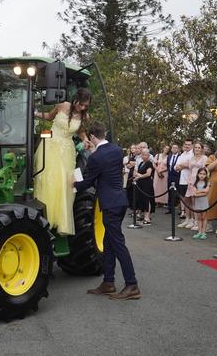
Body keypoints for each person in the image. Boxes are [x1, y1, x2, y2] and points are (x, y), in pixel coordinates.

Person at [74, 121, 140, 300]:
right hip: (119, 201)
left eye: (90, 138)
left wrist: (72, 185)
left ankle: (132, 284)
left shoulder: (96, 157)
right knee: (109, 242)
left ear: (93, 137)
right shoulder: (117, 150)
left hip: (110, 204)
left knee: (118, 244)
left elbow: (87, 182)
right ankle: (108, 282)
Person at [33, 88, 90, 235]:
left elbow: (81, 132)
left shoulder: (84, 116)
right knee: (48, 180)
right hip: (50, 145)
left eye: (86, 106)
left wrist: (85, 140)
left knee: (65, 183)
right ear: (76, 100)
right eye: (82, 104)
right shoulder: (62, 106)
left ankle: (61, 221)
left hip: (67, 150)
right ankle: (44, 217)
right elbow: (49, 116)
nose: (83, 108)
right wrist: (34, 114)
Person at [185, 142, 207, 231]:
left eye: (199, 147)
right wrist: (189, 181)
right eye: (195, 147)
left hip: (200, 180)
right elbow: (190, 170)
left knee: (200, 202)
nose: (197, 149)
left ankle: (201, 223)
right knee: (193, 202)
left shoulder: (204, 158)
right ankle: (195, 221)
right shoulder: (192, 158)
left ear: (201, 149)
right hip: (191, 181)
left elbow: (205, 171)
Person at [175, 139, 194, 227]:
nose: (187, 146)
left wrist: (182, 165)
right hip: (182, 180)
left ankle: (192, 220)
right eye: (186, 144)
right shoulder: (182, 155)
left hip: (190, 181)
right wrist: (183, 165)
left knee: (191, 201)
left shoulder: (193, 154)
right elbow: (176, 167)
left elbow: (190, 165)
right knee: (185, 201)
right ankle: (187, 219)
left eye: (189, 144)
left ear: (192, 145)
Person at [133, 148, 154, 225]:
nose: (144, 156)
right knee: (142, 200)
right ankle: (143, 216)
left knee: (147, 200)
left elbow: (148, 174)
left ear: (148, 156)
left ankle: (147, 217)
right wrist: (137, 176)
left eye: (146, 155)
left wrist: (139, 176)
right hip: (140, 184)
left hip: (147, 184)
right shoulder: (141, 163)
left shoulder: (149, 163)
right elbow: (136, 172)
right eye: (143, 154)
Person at [192, 167, 210, 240]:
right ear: (197, 174)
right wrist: (202, 192)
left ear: (206, 175)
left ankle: (204, 232)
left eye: (204, 174)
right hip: (198, 203)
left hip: (204, 202)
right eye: (200, 174)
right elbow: (194, 193)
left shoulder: (207, 183)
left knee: (204, 217)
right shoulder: (195, 183)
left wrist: (198, 192)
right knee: (199, 218)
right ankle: (199, 232)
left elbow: (206, 192)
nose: (202, 175)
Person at [166, 143, 181, 214]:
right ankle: (170, 209)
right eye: (173, 148)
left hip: (177, 177)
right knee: (170, 192)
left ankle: (179, 209)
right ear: (171, 149)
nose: (174, 149)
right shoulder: (169, 156)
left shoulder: (180, 156)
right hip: (170, 176)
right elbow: (168, 166)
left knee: (177, 193)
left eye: (176, 148)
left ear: (178, 149)